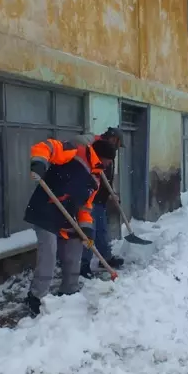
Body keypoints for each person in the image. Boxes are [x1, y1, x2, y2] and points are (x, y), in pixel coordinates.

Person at [24, 137, 117, 315]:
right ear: (102, 157)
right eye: (109, 160)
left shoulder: (95, 179)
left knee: (75, 253)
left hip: (67, 217)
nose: (109, 164)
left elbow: (85, 208)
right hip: (46, 210)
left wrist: (87, 230)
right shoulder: (75, 151)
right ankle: (36, 297)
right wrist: (39, 164)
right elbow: (46, 146)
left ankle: (69, 291)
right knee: (48, 255)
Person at [71, 128, 125, 278]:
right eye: (118, 144)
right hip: (88, 198)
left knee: (101, 231)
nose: (117, 148)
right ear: (114, 139)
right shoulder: (95, 142)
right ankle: (83, 265)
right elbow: (78, 140)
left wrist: (111, 193)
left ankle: (105, 258)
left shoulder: (109, 153)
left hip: (100, 199)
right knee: (89, 232)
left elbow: (107, 177)